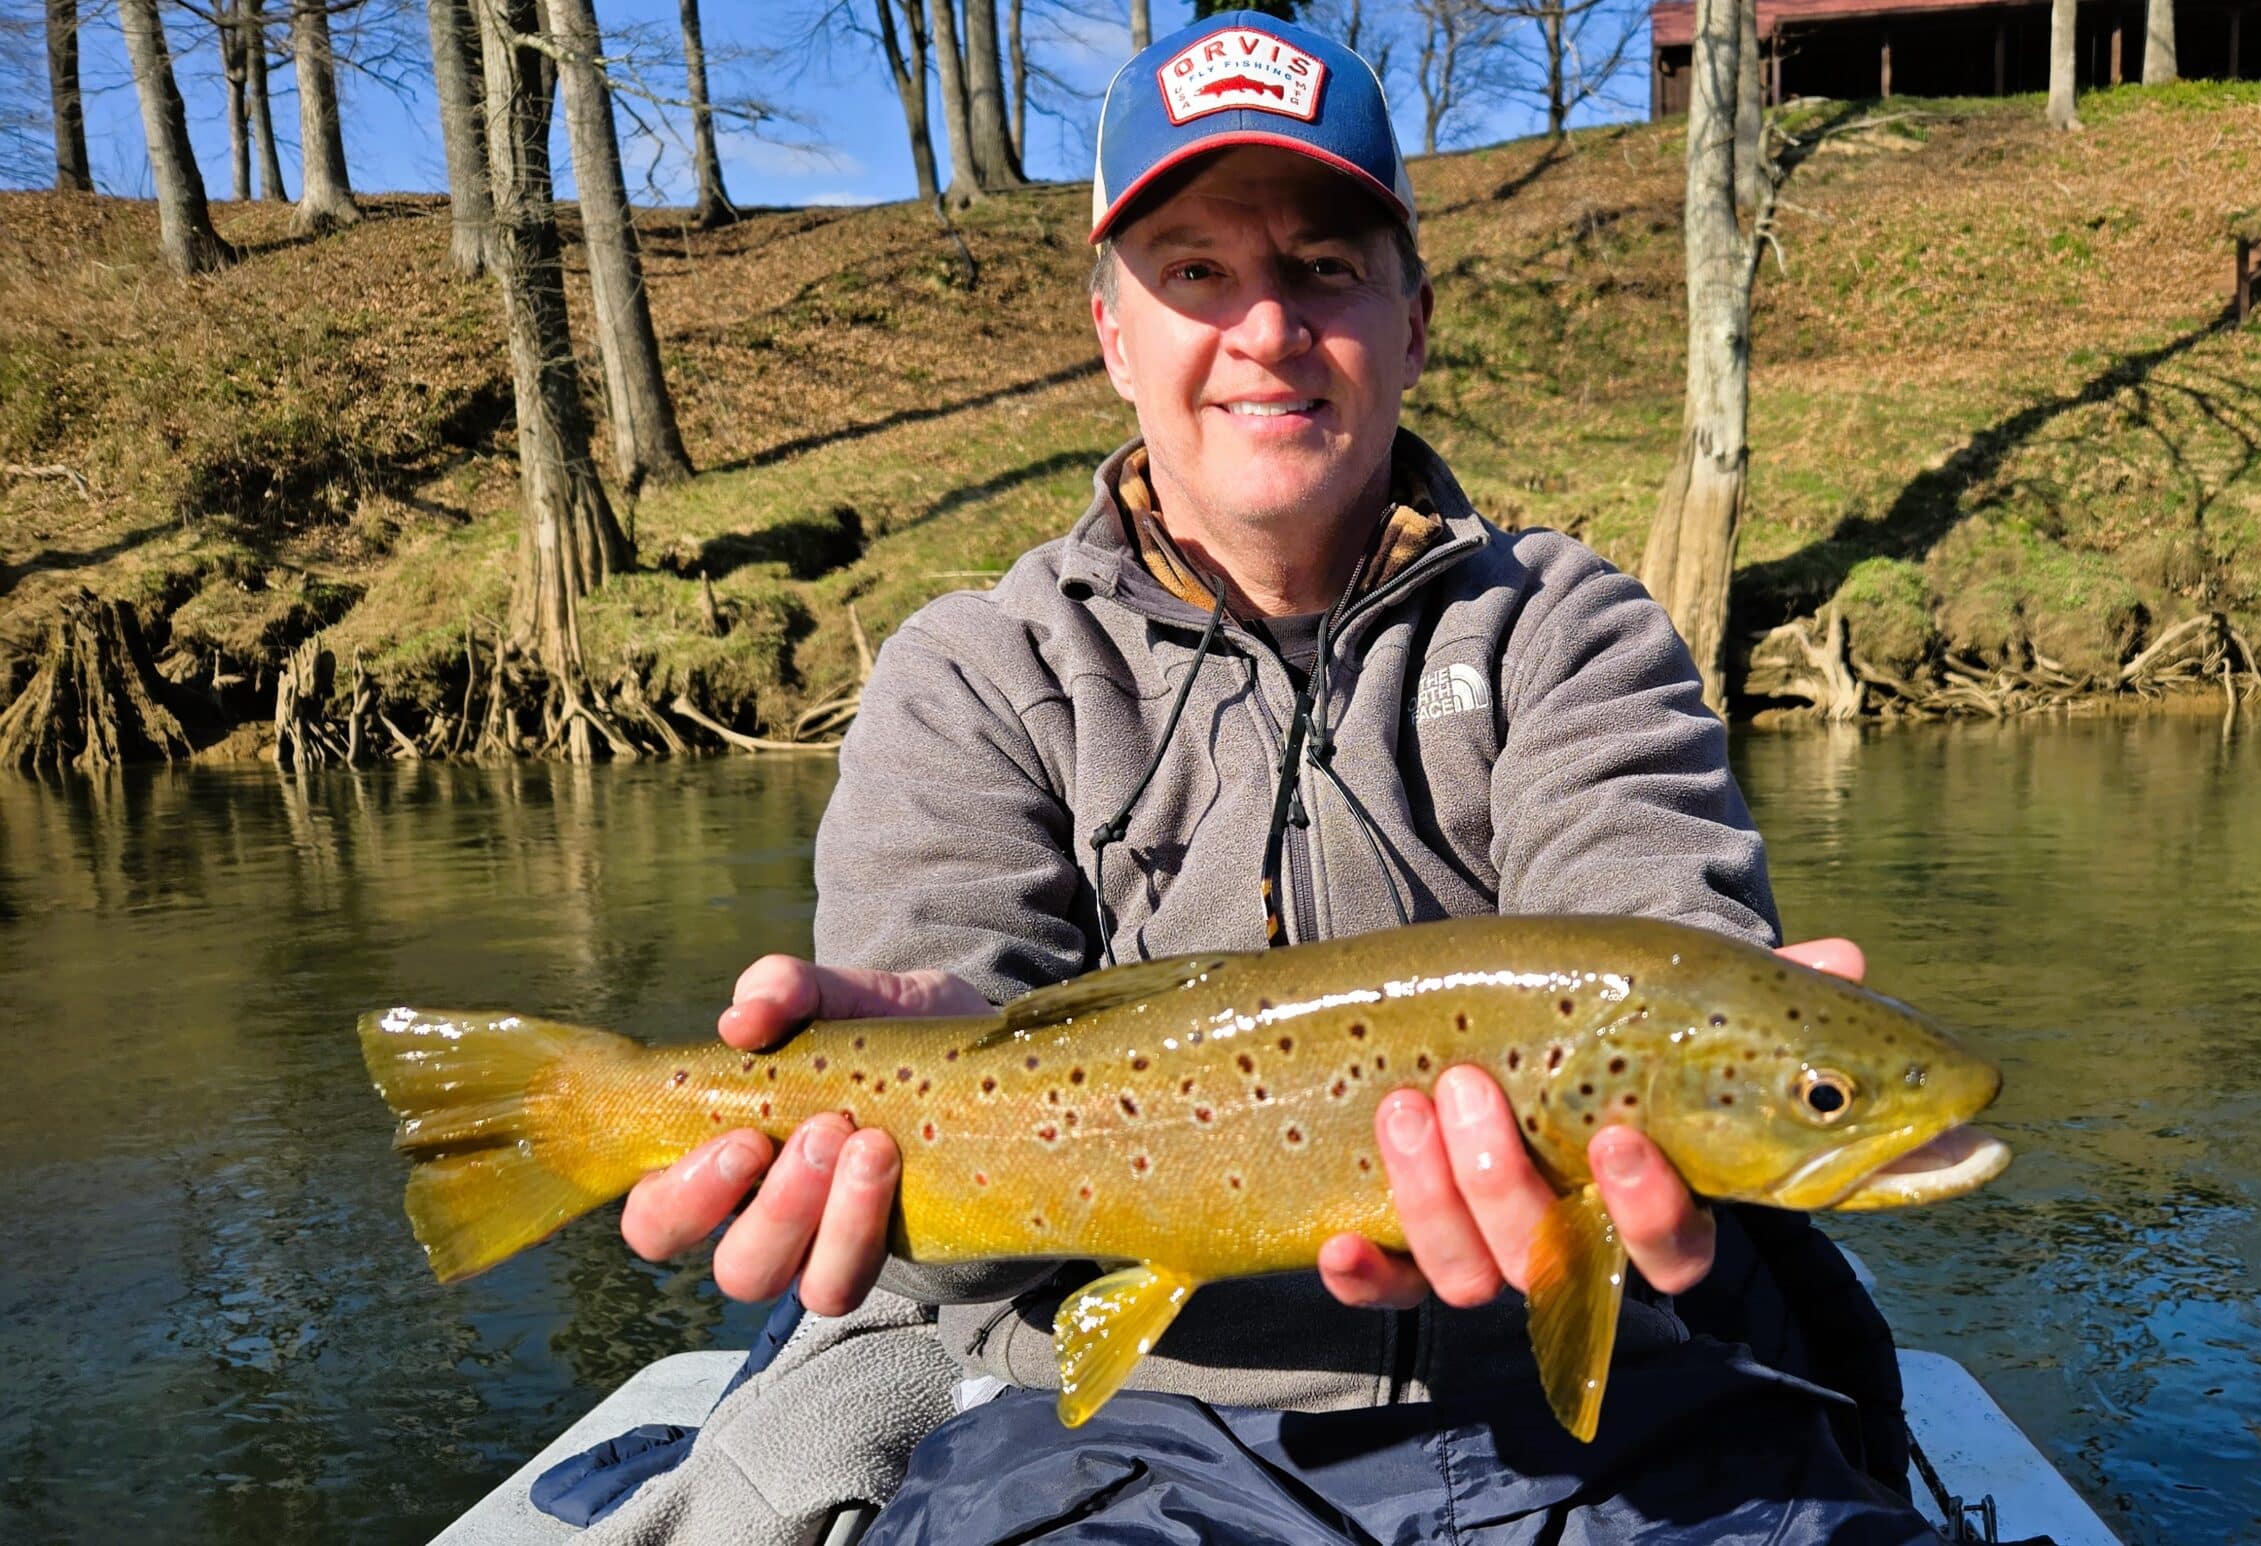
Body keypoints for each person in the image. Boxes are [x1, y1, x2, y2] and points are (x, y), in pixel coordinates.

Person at [611, 13, 1934, 1541]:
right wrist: (902, 1166)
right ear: (1114, 333)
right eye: (1195, 274)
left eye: (1322, 268)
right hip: (1117, 1426)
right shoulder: (976, 672)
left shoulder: (1567, 628)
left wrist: (1733, 1090)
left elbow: (1647, 932)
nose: (1265, 329)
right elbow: (950, 1232)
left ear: (1414, 320)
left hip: (1585, 1413)